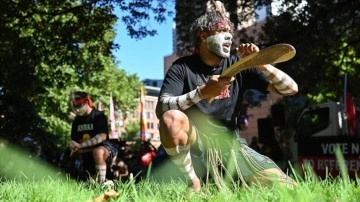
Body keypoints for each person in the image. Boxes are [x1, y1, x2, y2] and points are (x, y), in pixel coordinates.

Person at [155, 10, 298, 192]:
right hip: (197, 145)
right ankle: (194, 183)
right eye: (222, 30)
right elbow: (161, 110)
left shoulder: (239, 65)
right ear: (203, 35)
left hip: (232, 147)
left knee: (288, 188)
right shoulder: (182, 68)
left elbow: (291, 89)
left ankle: (234, 179)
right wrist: (202, 93)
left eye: (230, 31)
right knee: (172, 118)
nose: (229, 36)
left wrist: (259, 62)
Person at [69, 91, 119, 185]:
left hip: (104, 149)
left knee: (98, 151)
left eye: (79, 106)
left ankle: (102, 183)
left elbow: (102, 136)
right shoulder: (76, 121)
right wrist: (72, 146)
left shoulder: (98, 116)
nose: (77, 109)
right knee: (88, 181)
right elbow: (74, 140)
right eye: (75, 107)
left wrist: (81, 145)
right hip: (86, 154)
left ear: (86, 102)